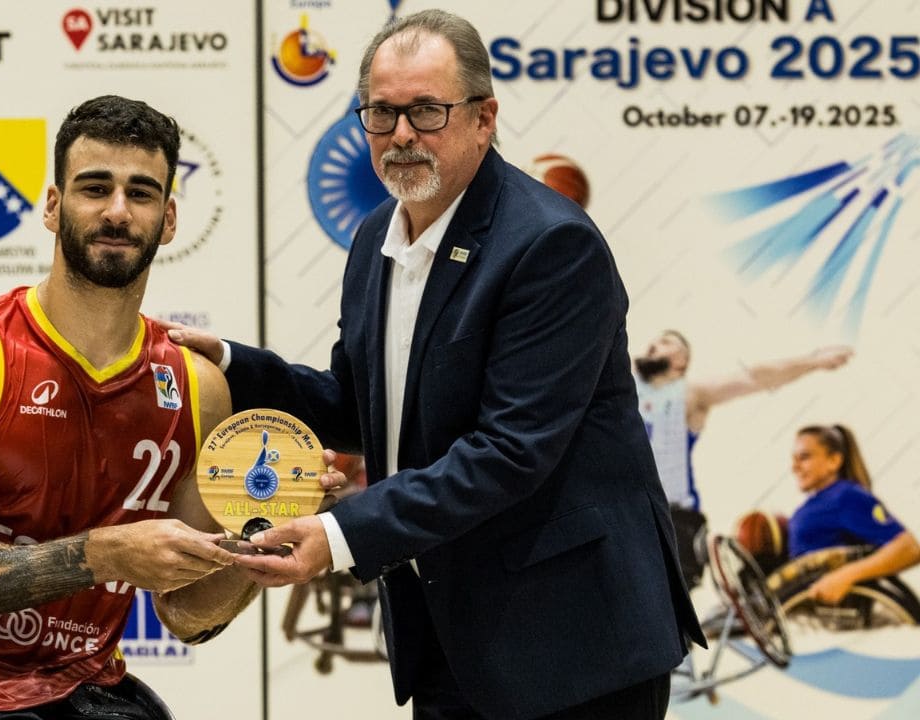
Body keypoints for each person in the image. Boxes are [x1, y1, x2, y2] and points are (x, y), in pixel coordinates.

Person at [167, 10, 703, 720]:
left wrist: (336, 536)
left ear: (484, 118)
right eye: (382, 113)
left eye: (426, 110)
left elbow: (511, 451)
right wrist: (234, 366)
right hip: (454, 634)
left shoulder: (551, 246)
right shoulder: (374, 239)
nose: (402, 135)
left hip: (575, 644)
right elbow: (363, 408)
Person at [0, 95, 264, 719]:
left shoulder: (195, 386)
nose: (116, 210)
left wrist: (259, 542)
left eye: (141, 193)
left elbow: (186, 614)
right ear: (53, 206)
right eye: (94, 187)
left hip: (91, 697)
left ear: (168, 219)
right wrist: (101, 556)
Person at [634, 330, 852, 586]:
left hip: (672, 519)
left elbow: (754, 377)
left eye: (666, 342)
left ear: (682, 361)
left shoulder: (690, 393)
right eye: (654, 340)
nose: (653, 344)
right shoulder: (623, 390)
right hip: (627, 511)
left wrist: (814, 361)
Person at [787, 424, 920, 604]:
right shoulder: (812, 504)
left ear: (834, 460)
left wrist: (844, 576)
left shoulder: (846, 496)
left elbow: (908, 549)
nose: (794, 467)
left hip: (835, 613)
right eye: (794, 459)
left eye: (804, 457)